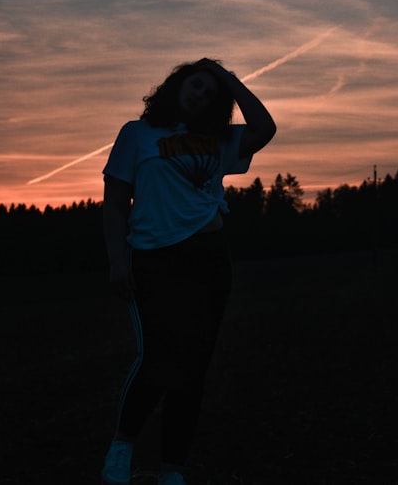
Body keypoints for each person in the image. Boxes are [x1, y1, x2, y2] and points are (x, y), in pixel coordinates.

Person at [100, 58, 276, 485]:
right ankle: (123, 445)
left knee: (193, 365)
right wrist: (117, 262)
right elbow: (115, 202)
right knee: (158, 359)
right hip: (154, 259)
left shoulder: (219, 140)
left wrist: (229, 80)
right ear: (177, 86)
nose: (201, 95)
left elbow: (265, 129)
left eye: (211, 94)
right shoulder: (137, 135)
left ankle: (171, 468)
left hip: (209, 260)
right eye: (196, 85)